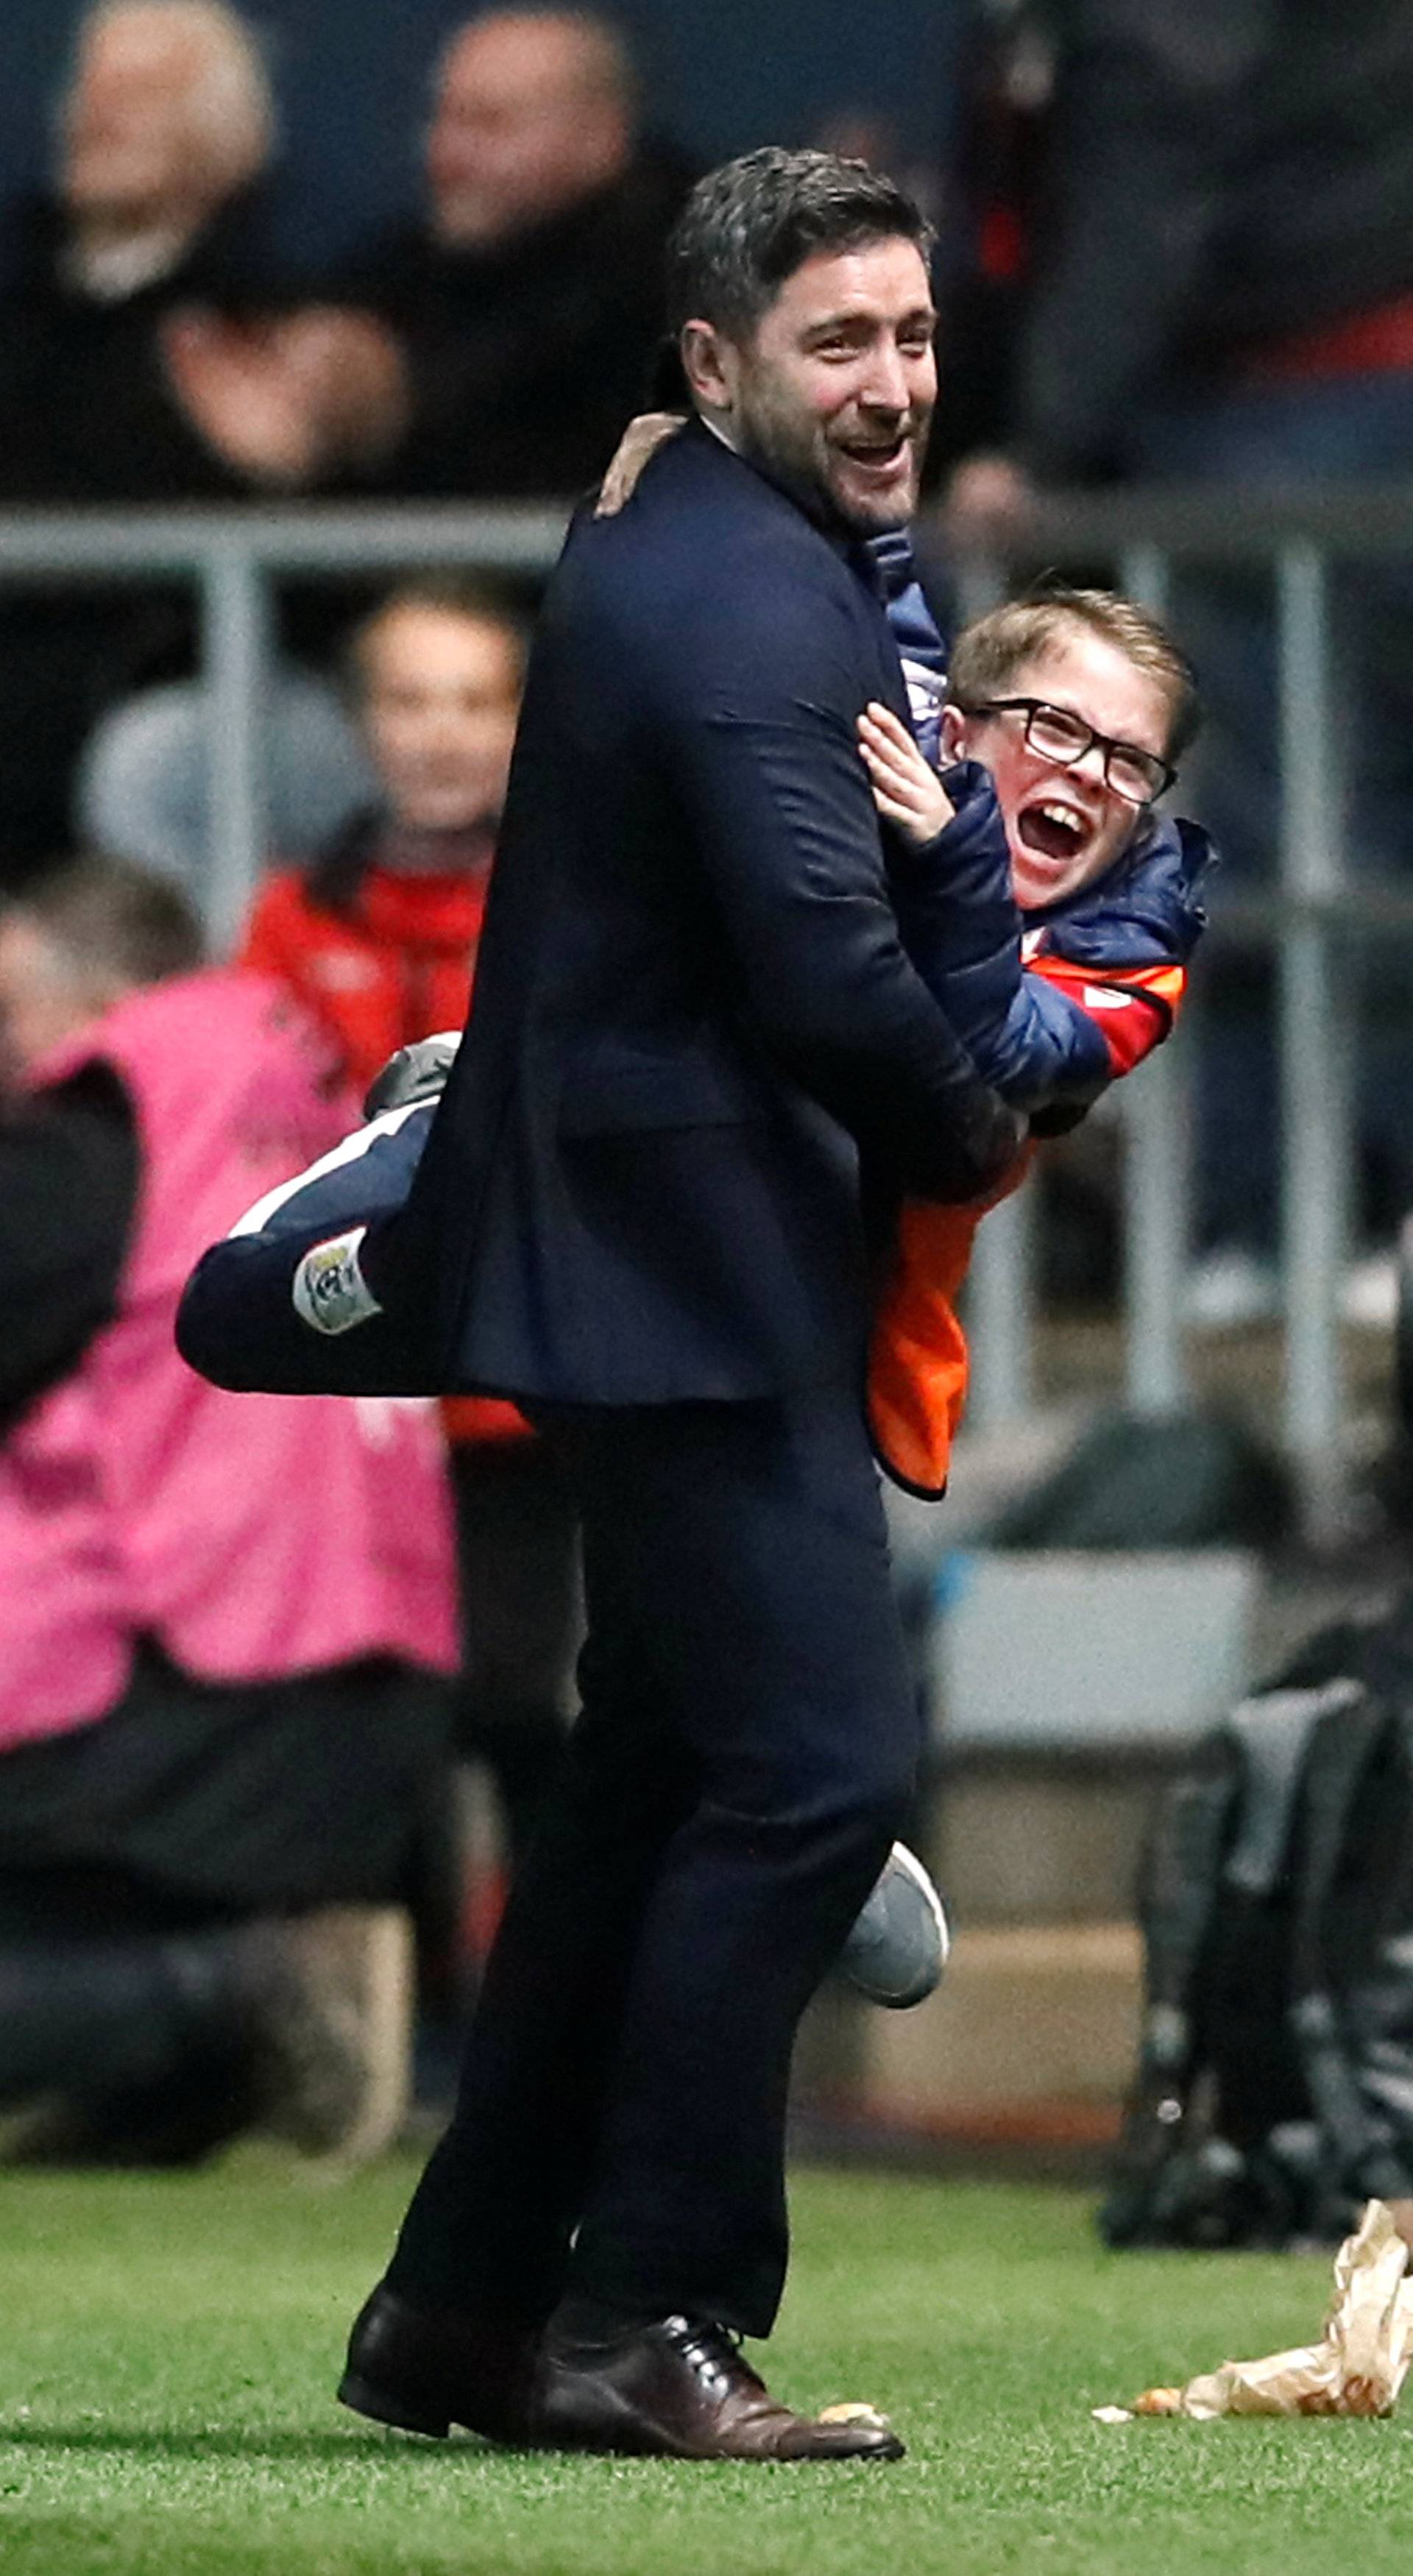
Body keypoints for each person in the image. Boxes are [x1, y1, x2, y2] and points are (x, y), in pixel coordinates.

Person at [180, 146, 1021, 2458]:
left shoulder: (701, 530)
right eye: (836, 343)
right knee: (812, 1775)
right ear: (711, 359)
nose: (889, 384)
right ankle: (644, 2304)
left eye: (912, 334)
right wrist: (979, 1128)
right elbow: (829, 971)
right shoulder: (747, 602)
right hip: (692, 1274)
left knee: (656, 1781)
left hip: (651, 1252)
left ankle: (460, 2305)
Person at [938, 0, 1413, 1296]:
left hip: (1294, 417)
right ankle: (1330, 1225)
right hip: (1331, 404)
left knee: (1300, 840)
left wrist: (1045, 443)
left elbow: (1157, 195)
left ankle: (1313, 1222)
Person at [0, 854, 459, 2164]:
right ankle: (216, 2034)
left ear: (88, 993)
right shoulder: (300, 1087)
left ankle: (247, 1993)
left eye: (13, 1017)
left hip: (190, 1680)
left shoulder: (106, 1115)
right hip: (372, 1687)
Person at [241, 576, 580, 1878]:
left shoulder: (578, 899)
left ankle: (558, 1987)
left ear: (519, 723)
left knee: (509, 1695)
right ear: (362, 723)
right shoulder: (294, 917)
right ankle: (410, 2016)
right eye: (408, 700)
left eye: (476, 701)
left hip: (514, 1385)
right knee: (374, 1717)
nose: (441, 733)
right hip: (344, 1386)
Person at [0, 0, 404, 879]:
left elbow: (343, 557)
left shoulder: (282, 300)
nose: (95, 116)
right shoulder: (23, 307)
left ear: (222, 129)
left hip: (204, 686)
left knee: (150, 760)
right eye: (87, 88)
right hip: (28, 667)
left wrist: (276, 472)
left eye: (139, 93)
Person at [856, 584, 1209, 1494]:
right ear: (956, 733)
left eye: (1133, 761)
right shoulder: (905, 741)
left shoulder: (1132, 961)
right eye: (1056, 726)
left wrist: (953, 864)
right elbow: (864, 568)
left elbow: (1004, 1049)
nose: (1093, 772)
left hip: (852, 1337)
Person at [333, 8, 693, 499]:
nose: (448, 154)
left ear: (600, 133)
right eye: (443, 118)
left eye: (490, 124)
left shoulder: (687, 277)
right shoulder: (396, 275)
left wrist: (395, 408)